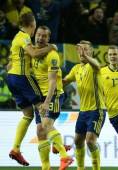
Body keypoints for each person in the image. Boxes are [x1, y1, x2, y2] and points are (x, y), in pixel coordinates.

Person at [6, 12, 56, 166]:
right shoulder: (25, 37)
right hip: (22, 77)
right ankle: (57, 144)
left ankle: (15, 148)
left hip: (11, 78)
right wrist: (50, 47)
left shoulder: (16, 37)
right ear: (33, 25)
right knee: (42, 106)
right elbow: (34, 53)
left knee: (28, 115)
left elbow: (8, 64)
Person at [32, 25, 73, 170]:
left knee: (46, 125)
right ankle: (46, 167)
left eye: (44, 36)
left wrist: (46, 102)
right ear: (35, 34)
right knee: (40, 131)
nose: (40, 38)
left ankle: (64, 156)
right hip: (39, 96)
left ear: (49, 38)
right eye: (38, 34)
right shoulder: (33, 51)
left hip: (53, 95)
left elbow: (53, 81)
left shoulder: (53, 55)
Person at [63, 40, 105, 170]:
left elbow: (97, 65)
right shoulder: (76, 69)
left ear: (91, 52)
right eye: (80, 50)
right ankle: (80, 168)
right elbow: (64, 81)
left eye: (86, 49)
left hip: (97, 110)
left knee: (90, 141)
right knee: (77, 141)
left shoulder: (93, 66)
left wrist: (86, 56)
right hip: (83, 112)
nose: (82, 52)